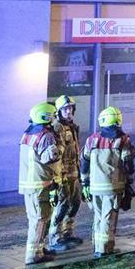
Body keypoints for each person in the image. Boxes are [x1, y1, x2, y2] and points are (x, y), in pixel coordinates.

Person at [80, 106, 135, 259]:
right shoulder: (122, 139)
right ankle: (104, 250)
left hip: (95, 187)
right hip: (113, 186)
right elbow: (128, 162)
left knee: (98, 217)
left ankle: (97, 246)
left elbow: (84, 162)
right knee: (109, 217)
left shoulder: (91, 139)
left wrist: (84, 183)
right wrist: (130, 181)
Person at [18, 102, 61, 265]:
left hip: (29, 184)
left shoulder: (27, 134)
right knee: (40, 219)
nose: (55, 118)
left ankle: (40, 249)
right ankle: (33, 254)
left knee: (38, 218)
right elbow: (50, 158)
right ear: (47, 117)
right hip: (41, 184)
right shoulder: (46, 136)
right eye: (54, 115)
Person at [48, 95, 83, 251]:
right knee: (62, 205)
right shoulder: (57, 128)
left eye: (70, 108)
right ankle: (55, 237)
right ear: (59, 111)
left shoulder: (72, 127)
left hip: (74, 172)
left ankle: (68, 233)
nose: (69, 111)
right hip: (62, 175)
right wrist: (57, 177)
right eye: (65, 109)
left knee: (74, 204)